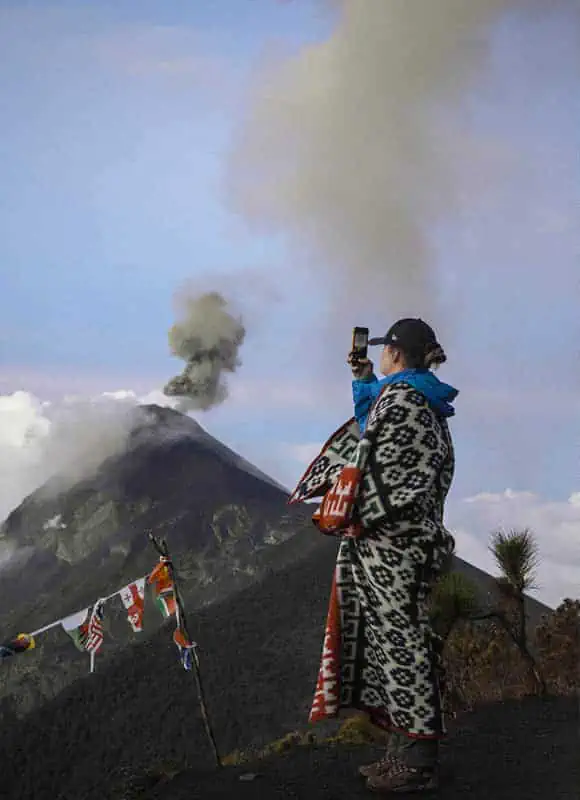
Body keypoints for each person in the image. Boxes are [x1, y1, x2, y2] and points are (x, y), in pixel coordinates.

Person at [289, 318, 458, 794]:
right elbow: (374, 434)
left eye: (384, 352)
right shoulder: (421, 400)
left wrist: (345, 509)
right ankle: (402, 752)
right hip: (401, 540)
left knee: (402, 645)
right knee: (392, 646)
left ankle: (419, 760)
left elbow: (376, 462)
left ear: (397, 354)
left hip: (392, 542)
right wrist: (364, 381)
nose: (380, 358)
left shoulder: (404, 401)